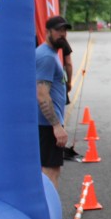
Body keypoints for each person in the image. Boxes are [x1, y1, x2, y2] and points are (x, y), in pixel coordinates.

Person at [36, 16, 70, 190]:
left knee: (50, 170)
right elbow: (42, 95)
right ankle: (50, 208)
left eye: (64, 30)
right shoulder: (47, 57)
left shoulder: (51, 53)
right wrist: (56, 126)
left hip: (47, 124)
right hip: (47, 125)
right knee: (50, 172)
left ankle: (48, 206)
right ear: (47, 32)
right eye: (58, 30)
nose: (62, 34)